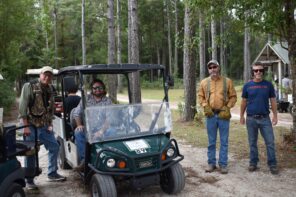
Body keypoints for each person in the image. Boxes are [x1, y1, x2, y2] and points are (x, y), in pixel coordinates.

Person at [19, 66, 66, 190]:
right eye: (45, 74)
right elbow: (23, 107)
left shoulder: (50, 88)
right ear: (40, 75)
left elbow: (50, 109)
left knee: (55, 146)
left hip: (44, 125)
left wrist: (50, 123)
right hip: (30, 125)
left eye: (50, 75)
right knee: (31, 152)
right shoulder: (29, 86)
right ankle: (29, 180)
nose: (47, 77)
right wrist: (25, 126)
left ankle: (52, 173)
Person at [198, 60, 237, 174]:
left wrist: (227, 107)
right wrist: (205, 106)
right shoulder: (204, 82)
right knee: (211, 141)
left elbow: (233, 97)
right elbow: (201, 97)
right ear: (208, 69)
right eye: (210, 67)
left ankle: (223, 164)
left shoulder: (227, 81)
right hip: (210, 115)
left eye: (215, 67)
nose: (213, 69)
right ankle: (211, 164)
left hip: (223, 115)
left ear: (218, 68)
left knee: (224, 141)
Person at [240, 62, 279, 175]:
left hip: (265, 119)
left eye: (260, 70)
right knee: (252, 142)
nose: (258, 72)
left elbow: (273, 100)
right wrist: (242, 116)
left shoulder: (268, 85)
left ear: (263, 72)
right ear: (253, 72)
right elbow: (243, 102)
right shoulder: (247, 86)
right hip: (251, 119)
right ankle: (253, 163)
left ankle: (272, 164)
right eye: (256, 70)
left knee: (270, 142)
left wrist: (275, 116)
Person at [71, 79, 112, 167]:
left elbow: (109, 119)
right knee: (78, 132)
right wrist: (79, 125)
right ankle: (84, 161)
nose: (97, 90)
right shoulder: (86, 99)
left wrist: (101, 131)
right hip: (88, 128)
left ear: (103, 89)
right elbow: (76, 113)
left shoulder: (107, 100)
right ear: (92, 89)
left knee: (114, 132)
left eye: (100, 88)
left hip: (101, 128)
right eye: (95, 88)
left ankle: (110, 158)